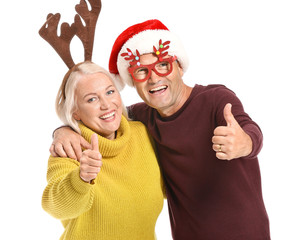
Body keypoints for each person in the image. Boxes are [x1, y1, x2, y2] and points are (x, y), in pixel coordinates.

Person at [51, 19, 271, 239]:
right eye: (141, 72)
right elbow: (104, 116)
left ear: (180, 67)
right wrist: (65, 130)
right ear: (132, 81)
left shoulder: (215, 100)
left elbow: (248, 128)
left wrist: (246, 143)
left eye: (163, 65)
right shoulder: (143, 118)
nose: (154, 78)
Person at [42, 61, 164, 240]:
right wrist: (81, 178)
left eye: (110, 91)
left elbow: (175, 185)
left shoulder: (142, 134)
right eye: (92, 99)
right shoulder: (69, 150)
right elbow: (55, 207)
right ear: (75, 112)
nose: (107, 105)